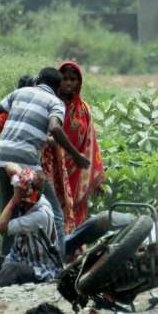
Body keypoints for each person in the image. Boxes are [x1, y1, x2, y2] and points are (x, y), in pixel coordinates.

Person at [0, 67, 91, 258]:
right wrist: (76, 155)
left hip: (2, 157)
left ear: (38, 79)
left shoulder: (19, 92)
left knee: (9, 211)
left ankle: (6, 264)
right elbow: (55, 128)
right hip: (27, 162)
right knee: (56, 213)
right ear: (57, 87)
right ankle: (58, 263)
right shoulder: (55, 102)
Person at [41, 61, 105, 234]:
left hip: (76, 170)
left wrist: (94, 177)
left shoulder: (84, 110)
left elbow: (91, 142)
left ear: (79, 82)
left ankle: (74, 253)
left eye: (73, 79)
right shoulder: (50, 105)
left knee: (75, 213)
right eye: (65, 79)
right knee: (52, 211)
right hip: (52, 166)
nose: (68, 83)